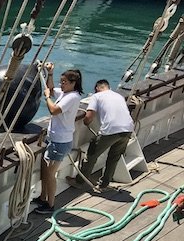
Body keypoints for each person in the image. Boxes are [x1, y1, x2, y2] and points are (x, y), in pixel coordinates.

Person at [67, 79, 135, 192]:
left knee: (92, 155)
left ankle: (80, 181)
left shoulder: (97, 97)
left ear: (98, 88)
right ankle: (104, 184)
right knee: (114, 157)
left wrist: (86, 123)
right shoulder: (119, 96)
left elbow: (89, 116)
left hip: (111, 130)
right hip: (128, 129)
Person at [33, 64, 83, 214]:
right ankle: (42, 198)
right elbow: (52, 89)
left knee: (50, 174)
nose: (61, 85)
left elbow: (54, 110)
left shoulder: (72, 97)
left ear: (73, 83)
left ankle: (50, 205)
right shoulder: (65, 93)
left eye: (64, 82)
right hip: (54, 139)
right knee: (45, 170)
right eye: (61, 81)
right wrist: (50, 74)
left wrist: (47, 97)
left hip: (60, 141)